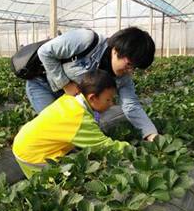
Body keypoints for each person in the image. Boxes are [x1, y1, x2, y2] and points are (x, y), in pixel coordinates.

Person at [26, 26, 158, 142]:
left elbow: (131, 106)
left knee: (76, 136)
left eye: (134, 68)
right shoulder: (86, 40)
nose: (130, 71)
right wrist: (65, 84)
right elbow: (45, 52)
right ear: (116, 50)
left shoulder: (124, 79)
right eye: (129, 64)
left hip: (72, 99)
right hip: (43, 86)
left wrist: (151, 134)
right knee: (55, 130)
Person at [13, 69, 130, 178]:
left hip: (25, 140)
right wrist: (131, 150)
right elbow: (104, 146)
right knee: (50, 186)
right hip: (32, 155)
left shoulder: (71, 99)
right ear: (92, 98)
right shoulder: (79, 119)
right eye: (108, 100)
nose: (111, 104)